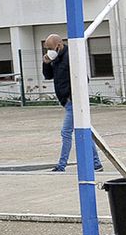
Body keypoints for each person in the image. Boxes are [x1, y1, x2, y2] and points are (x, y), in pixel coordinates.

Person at [41, 34, 102, 173]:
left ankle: (62, 165)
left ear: (58, 45)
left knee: (66, 133)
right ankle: (96, 163)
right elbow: (48, 76)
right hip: (67, 101)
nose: (48, 51)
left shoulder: (70, 56)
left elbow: (83, 78)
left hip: (73, 102)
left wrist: (72, 96)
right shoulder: (55, 58)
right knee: (83, 132)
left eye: (50, 48)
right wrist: (46, 63)